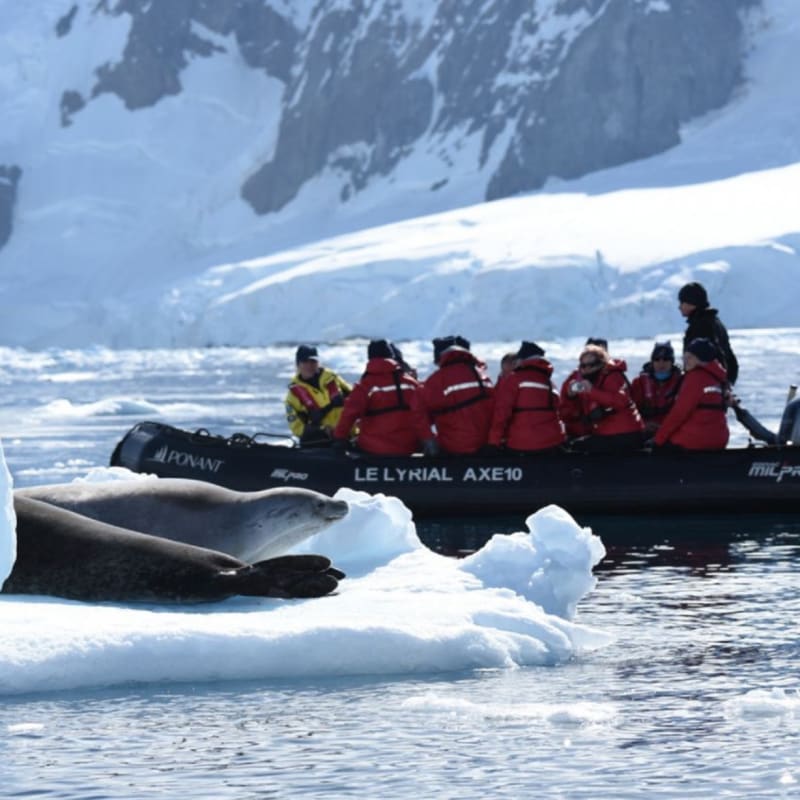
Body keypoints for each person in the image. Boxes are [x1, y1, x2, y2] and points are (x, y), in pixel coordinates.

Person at [332, 339, 434, 455]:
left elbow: (349, 414)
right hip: (409, 447)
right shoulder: (411, 384)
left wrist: (339, 438)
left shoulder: (365, 386)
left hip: (373, 449)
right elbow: (425, 414)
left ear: (370, 357)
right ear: (391, 356)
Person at [421, 335, 495, 455]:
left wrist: (428, 439)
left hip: (453, 446)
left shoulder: (437, 380)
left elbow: (420, 413)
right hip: (484, 445)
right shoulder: (482, 376)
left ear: (441, 358)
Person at [488, 341, 565, 453]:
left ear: (520, 361)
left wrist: (493, 443)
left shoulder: (515, 379)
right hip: (552, 441)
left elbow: (501, 413)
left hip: (522, 443)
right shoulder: (548, 382)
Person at [652, 337, 729, 450]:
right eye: (685, 357)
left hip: (695, 439)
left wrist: (658, 440)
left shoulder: (695, 378)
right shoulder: (717, 378)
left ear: (701, 359)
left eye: (690, 357)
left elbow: (679, 413)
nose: (685, 360)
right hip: (719, 438)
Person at [565, 344, 644, 452]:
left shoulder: (612, 376)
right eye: (583, 366)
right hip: (604, 433)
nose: (587, 369)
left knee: (579, 448)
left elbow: (620, 400)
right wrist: (570, 397)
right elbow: (568, 413)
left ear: (602, 364)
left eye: (591, 365)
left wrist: (592, 391)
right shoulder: (586, 381)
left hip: (625, 434)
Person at [285, 345, 352, 446]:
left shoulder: (332, 378)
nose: (310, 365)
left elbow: (356, 397)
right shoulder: (293, 396)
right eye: (305, 362)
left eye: (313, 361)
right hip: (322, 444)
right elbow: (297, 428)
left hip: (348, 437)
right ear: (298, 364)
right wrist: (322, 431)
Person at [678, 282, 738, 384]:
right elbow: (730, 358)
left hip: (704, 385)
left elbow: (705, 359)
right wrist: (727, 383)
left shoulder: (701, 326)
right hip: (717, 384)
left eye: (682, 302)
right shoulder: (714, 321)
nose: (679, 307)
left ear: (691, 303)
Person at [559, 337, 609, 438]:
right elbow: (564, 414)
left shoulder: (613, 378)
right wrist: (570, 398)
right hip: (581, 433)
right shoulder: (573, 381)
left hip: (607, 432)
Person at [631, 341, 683, 435]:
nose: (661, 363)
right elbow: (631, 411)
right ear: (652, 362)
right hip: (644, 430)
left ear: (672, 362)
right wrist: (644, 424)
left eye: (666, 359)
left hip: (673, 432)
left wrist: (665, 427)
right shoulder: (639, 383)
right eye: (657, 359)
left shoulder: (682, 383)